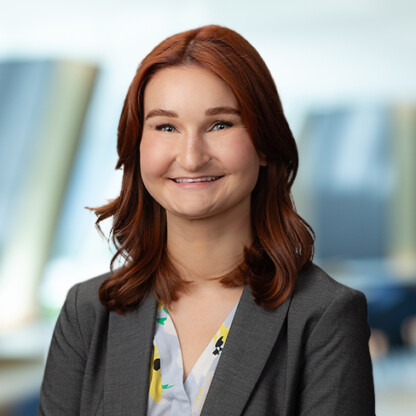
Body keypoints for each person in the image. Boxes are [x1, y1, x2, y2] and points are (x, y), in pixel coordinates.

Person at [38, 25, 375, 415]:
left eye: (220, 124)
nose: (192, 156)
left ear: (265, 144)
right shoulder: (88, 311)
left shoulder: (324, 315)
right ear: (138, 145)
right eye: (166, 126)